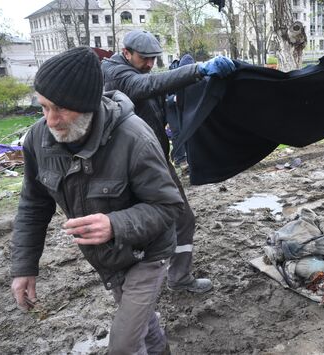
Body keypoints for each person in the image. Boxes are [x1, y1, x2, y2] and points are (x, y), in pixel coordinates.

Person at [10, 47, 182, 354]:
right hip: (108, 258)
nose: (50, 120)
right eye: (44, 107)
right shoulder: (38, 139)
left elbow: (168, 206)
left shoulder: (135, 138)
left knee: (124, 344)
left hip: (148, 253)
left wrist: (115, 224)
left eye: (60, 109)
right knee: (142, 325)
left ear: (87, 106)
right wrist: (24, 267)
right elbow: (33, 205)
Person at [101, 30, 235, 292]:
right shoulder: (115, 74)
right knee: (159, 225)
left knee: (177, 220)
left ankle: (173, 278)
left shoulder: (135, 70)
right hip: (133, 169)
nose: (150, 64)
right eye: (144, 58)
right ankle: (148, 285)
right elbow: (146, 87)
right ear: (126, 52)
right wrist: (199, 69)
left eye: (154, 59)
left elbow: (153, 95)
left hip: (155, 160)